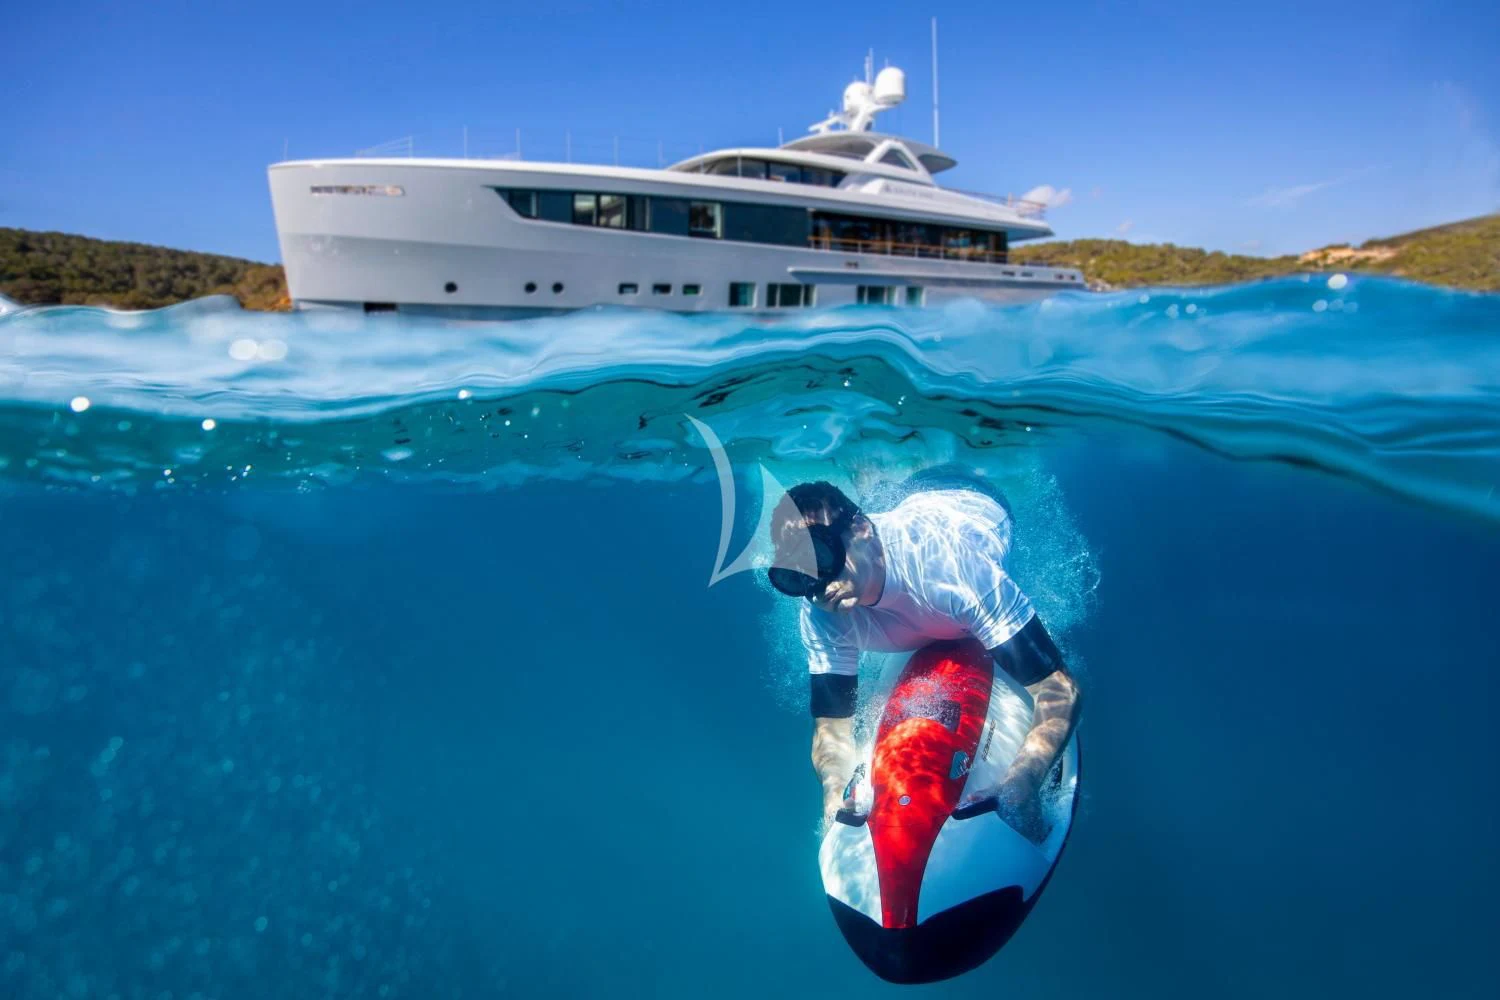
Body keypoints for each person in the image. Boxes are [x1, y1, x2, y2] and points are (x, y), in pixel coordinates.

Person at [767, 478, 1082, 843]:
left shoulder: (954, 572)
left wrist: (1024, 779)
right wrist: (834, 794)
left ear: (862, 529)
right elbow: (831, 728)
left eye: (820, 559)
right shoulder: (821, 613)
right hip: (912, 506)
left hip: (971, 493)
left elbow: (1060, 689)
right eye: (797, 576)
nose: (818, 588)